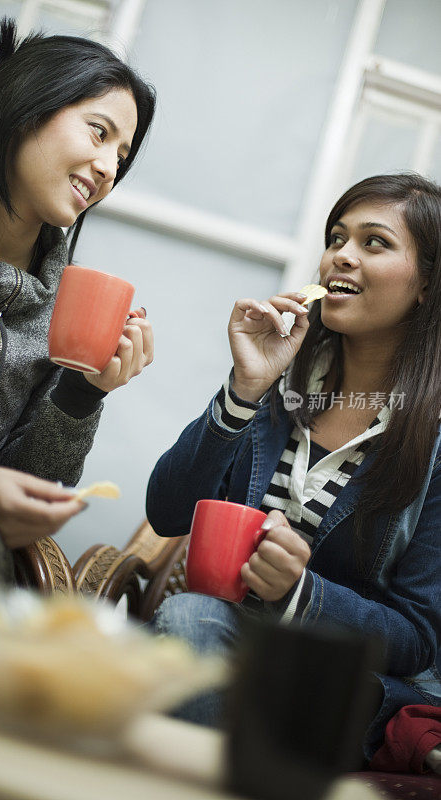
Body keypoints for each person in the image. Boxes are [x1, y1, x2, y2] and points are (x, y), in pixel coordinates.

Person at [146, 173, 441, 760]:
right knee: (189, 619)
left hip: (330, 682)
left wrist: (300, 594)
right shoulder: (280, 389)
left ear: (427, 285)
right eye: (337, 238)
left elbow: (419, 641)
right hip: (217, 636)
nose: (342, 256)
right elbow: (168, 511)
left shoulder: (432, 444)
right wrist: (244, 390)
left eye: (373, 243)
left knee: (188, 624)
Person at [0, 17, 156, 651]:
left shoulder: (66, 302)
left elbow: (29, 477)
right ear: (28, 111)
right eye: (99, 133)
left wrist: (83, 393)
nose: (106, 168)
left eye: (121, 157)